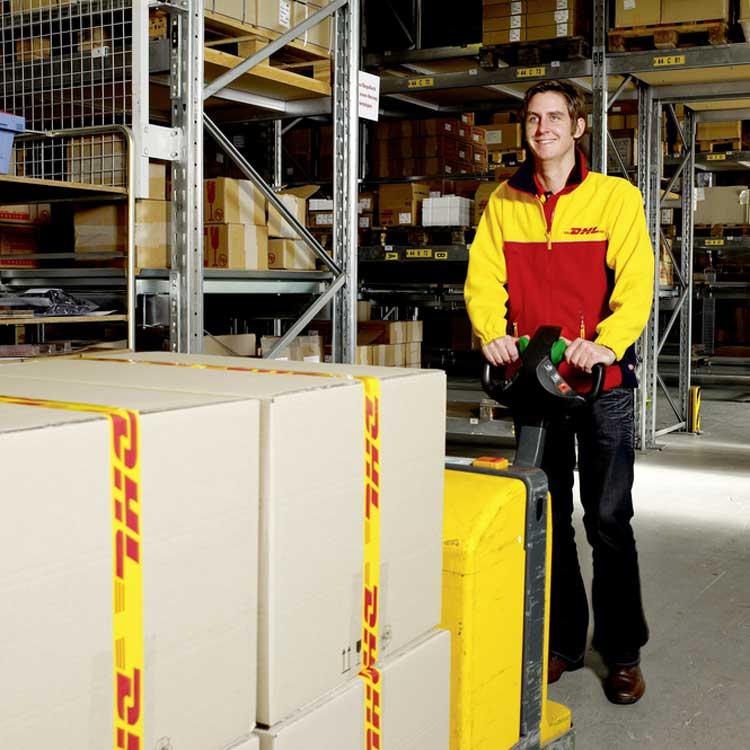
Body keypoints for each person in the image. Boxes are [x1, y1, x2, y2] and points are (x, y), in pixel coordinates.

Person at [465, 80, 654, 705]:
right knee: (547, 519)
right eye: (532, 118)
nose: (542, 127)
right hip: (535, 385)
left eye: (554, 117)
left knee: (608, 520)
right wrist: (492, 332)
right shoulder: (504, 201)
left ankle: (622, 653)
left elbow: (637, 283)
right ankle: (564, 642)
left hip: (600, 385)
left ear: (578, 127)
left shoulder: (615, 198)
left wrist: (607, 344)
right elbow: (484, 280)